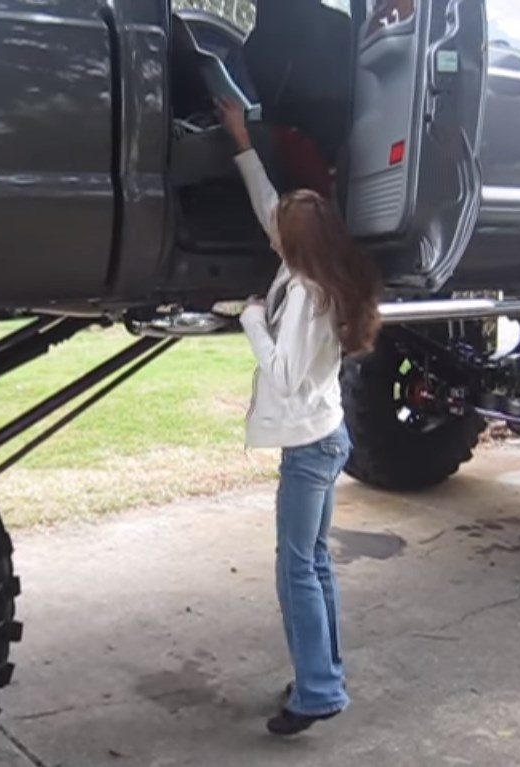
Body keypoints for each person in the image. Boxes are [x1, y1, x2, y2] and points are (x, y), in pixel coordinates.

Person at [215, 96, 383, 736]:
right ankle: (323, 677)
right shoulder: (315, 269)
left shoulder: (309, 299)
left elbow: (284, 374)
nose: (273, 234)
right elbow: (269, 206)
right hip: (323, 438)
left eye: (281, 232)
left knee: (297, 572)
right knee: (313, 564)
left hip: (311, 448)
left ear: (295, 245)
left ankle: (317, 692)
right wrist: (240, 141)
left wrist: (251, 318)